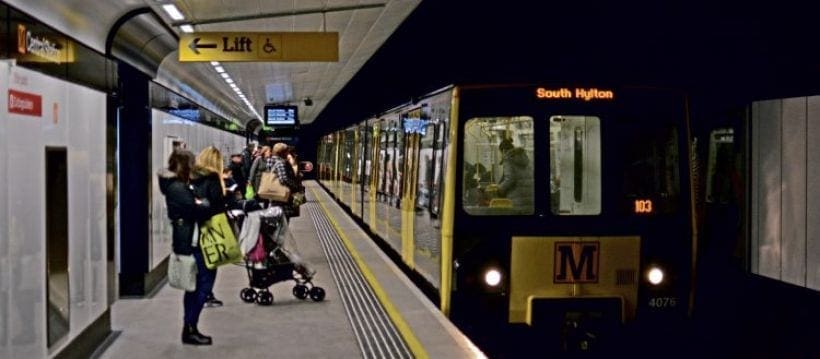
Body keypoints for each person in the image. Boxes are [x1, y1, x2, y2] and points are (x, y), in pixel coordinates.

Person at [157, 149, 213, 345]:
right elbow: (195, 210)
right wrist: (203, 204)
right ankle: (189, 328)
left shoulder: (177, 186)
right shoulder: (177, 188)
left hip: (190, 240)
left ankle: (190, 327)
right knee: (201, 285)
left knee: (197, 286)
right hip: (189, 243)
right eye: (191, 162)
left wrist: (198, 203)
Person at [270, 142, 315, 279]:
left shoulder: (274, 162)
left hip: (278, 199)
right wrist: (296, 186)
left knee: (280, 227)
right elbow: (284, 179)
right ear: (283, 152)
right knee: (282, 228)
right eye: (287, 151)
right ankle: (276, 253)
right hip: (282, 200)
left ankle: (276, 252)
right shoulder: (281, 163)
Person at [191, 146, 228, 308]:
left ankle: (203, 293)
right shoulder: (213, 178)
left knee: (200, 263)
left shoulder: (190, 177)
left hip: (192, 226)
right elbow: (216, 203)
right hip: (210, 226)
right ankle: (205, 295)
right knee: (210, 264)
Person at [494, 137, 533, 210]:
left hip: (517, 198)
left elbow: (510, 179)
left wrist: (499, 189)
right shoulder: (525, 158)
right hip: (530, 197)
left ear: (503, 151)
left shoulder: (508, 159)